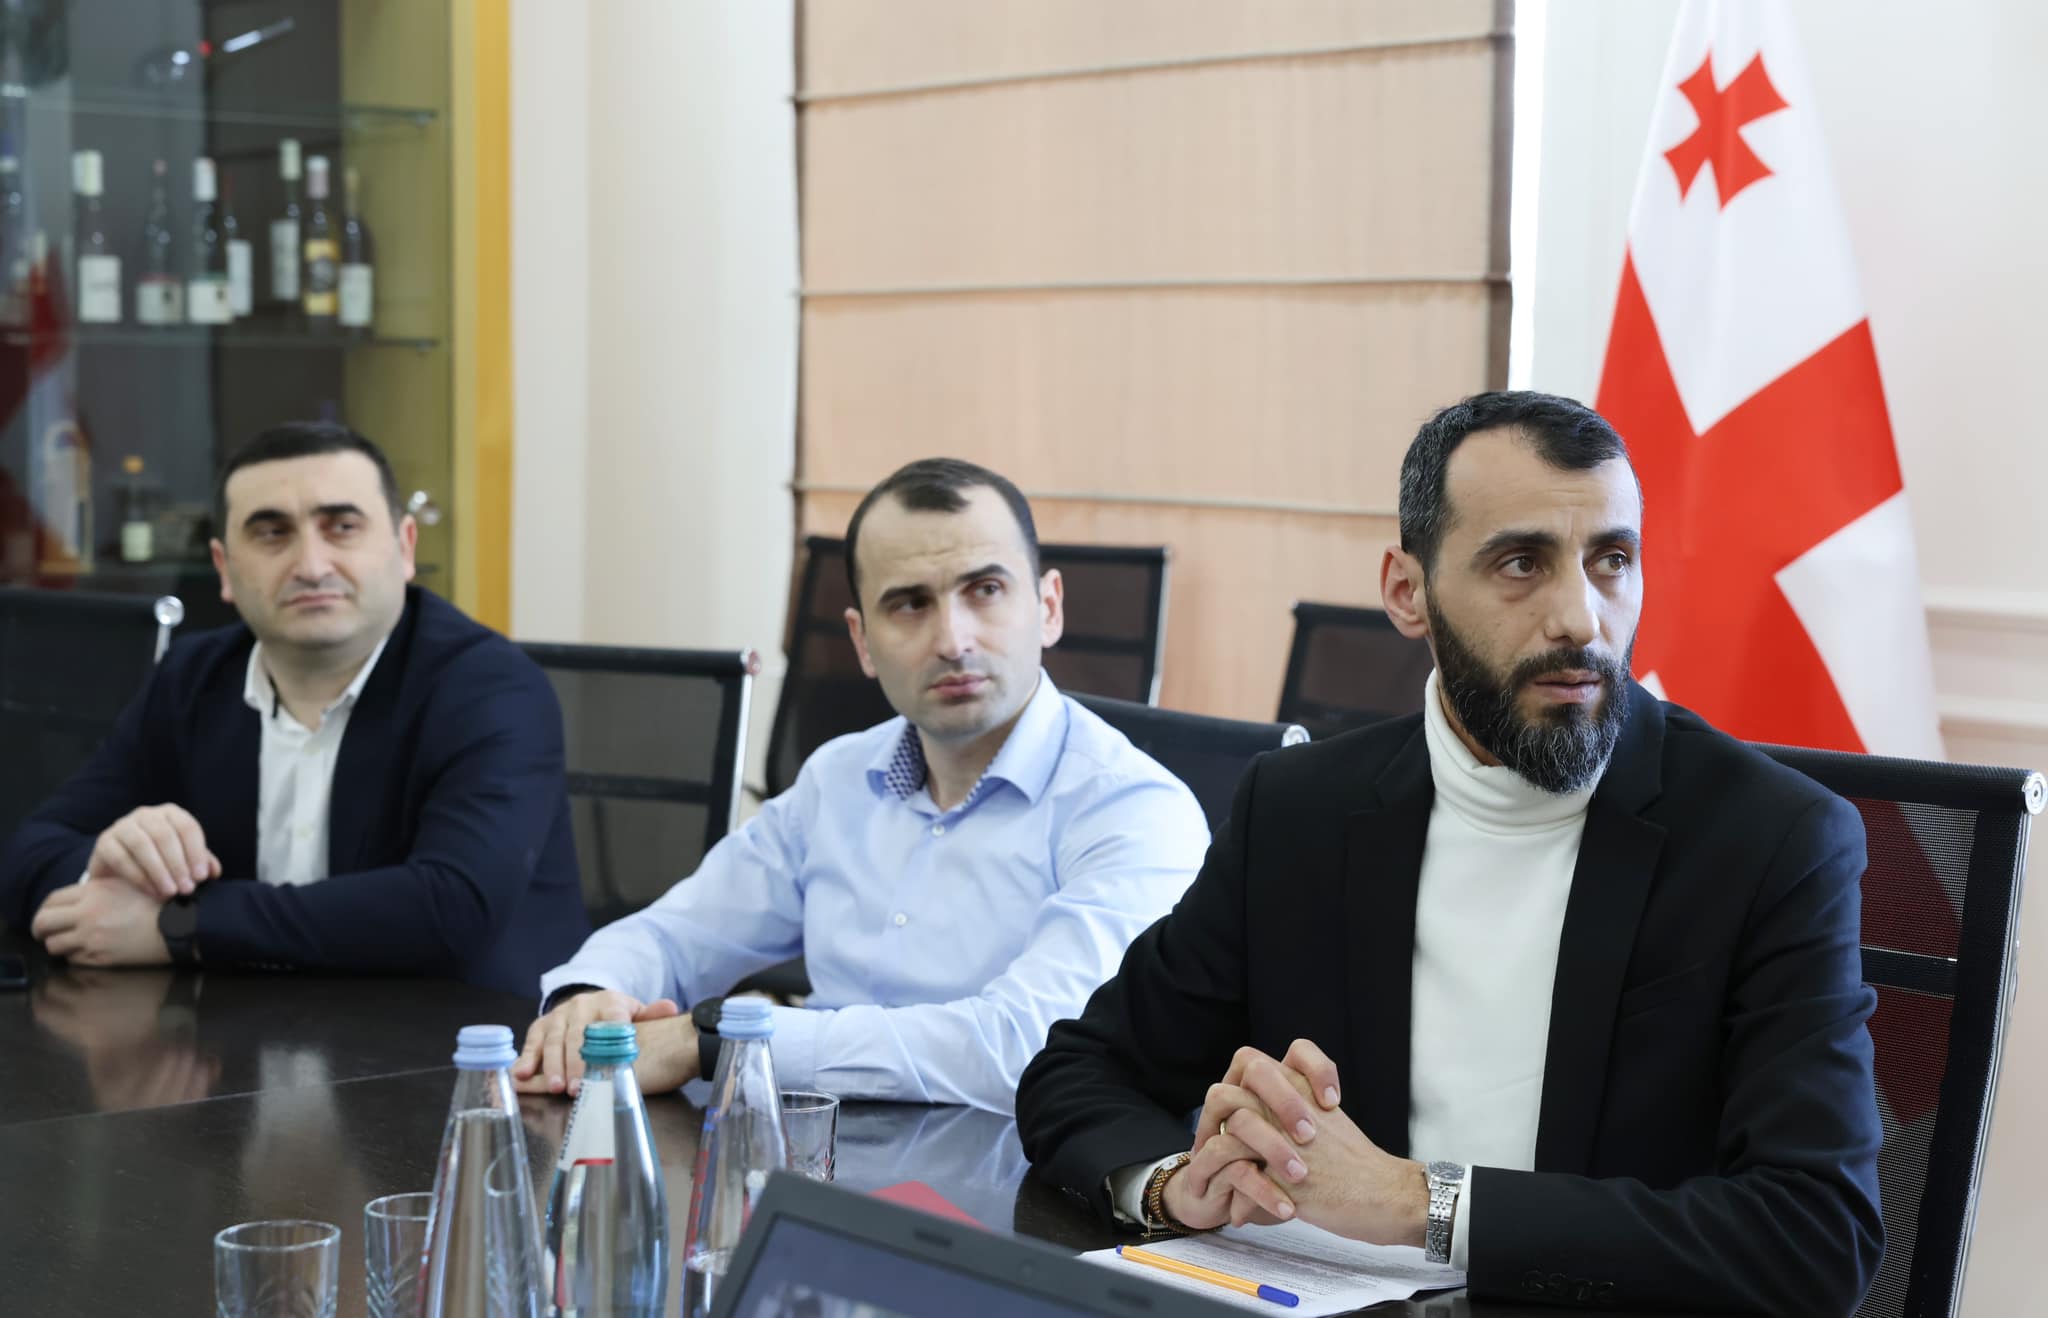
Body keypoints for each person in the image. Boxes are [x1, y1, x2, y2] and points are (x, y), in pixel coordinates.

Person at [1016, 392, 1883, 1315]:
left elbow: (1816, 1235)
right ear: (1408, 591)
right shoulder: (1299, 811)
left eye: (1611, 561)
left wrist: (1417, 1202)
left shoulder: (1771, 839)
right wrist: (1174, 1186)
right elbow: (1081, 1073)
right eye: (1521, 563)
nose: (1580, 619)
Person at [518, 458, 1208, 1114]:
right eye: (909, 604)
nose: (953, 640)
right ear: (862, 642)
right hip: (821, 1156)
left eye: (985, 590)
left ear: (1048, 607)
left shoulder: (1134, 810)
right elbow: (680, 933)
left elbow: (1027, 1047)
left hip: (1010, 1173)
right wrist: (592, 995)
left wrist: (722, 1042)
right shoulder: (838, 779)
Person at [0, 423, 587, 995]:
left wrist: (180, 925)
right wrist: (107, 865)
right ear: (224, 569)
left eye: (342, 527)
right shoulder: (191, 679)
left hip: (457, 1043)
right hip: (240, 1040)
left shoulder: (490, 688)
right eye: (271, 533)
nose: (311, 565)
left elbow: (450, 907)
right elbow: (29, 853)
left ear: (405, 547)